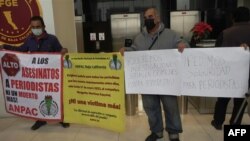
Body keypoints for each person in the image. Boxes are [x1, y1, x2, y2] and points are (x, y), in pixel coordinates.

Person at [120, 8, 188, 141]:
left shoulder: (171, 34)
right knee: (150, 108)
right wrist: (126, 50)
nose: (147, 20)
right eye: (145, 17)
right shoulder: (139, 38)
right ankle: (157, 132)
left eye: (150, 16)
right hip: (147, 82)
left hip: (167, 81)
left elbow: (183, 45)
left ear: (158, 18)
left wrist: (183, 45)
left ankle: (173, 132)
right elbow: (134, 50)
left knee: (171, 107)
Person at [0, 16, 70, 130]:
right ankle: (40, 120)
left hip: (50, 77)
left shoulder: (52, 39)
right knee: (38, 98)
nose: (35, 29)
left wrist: (64, 51)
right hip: (36, 76)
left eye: (38, 27)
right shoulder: (29, 40)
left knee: (56, 97)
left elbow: (60, 52)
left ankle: (61, 119)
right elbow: (20, 50)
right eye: (33, 27)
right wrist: (5, 47)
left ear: (43, 27)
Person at [211, 6, 250, 130]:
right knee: (240, 100)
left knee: (222, 99)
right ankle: (235, 124)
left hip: (228, 73)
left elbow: (217, 54)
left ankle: (218, 122)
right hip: (247, 75)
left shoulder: (226, 33)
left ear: (233, 18)